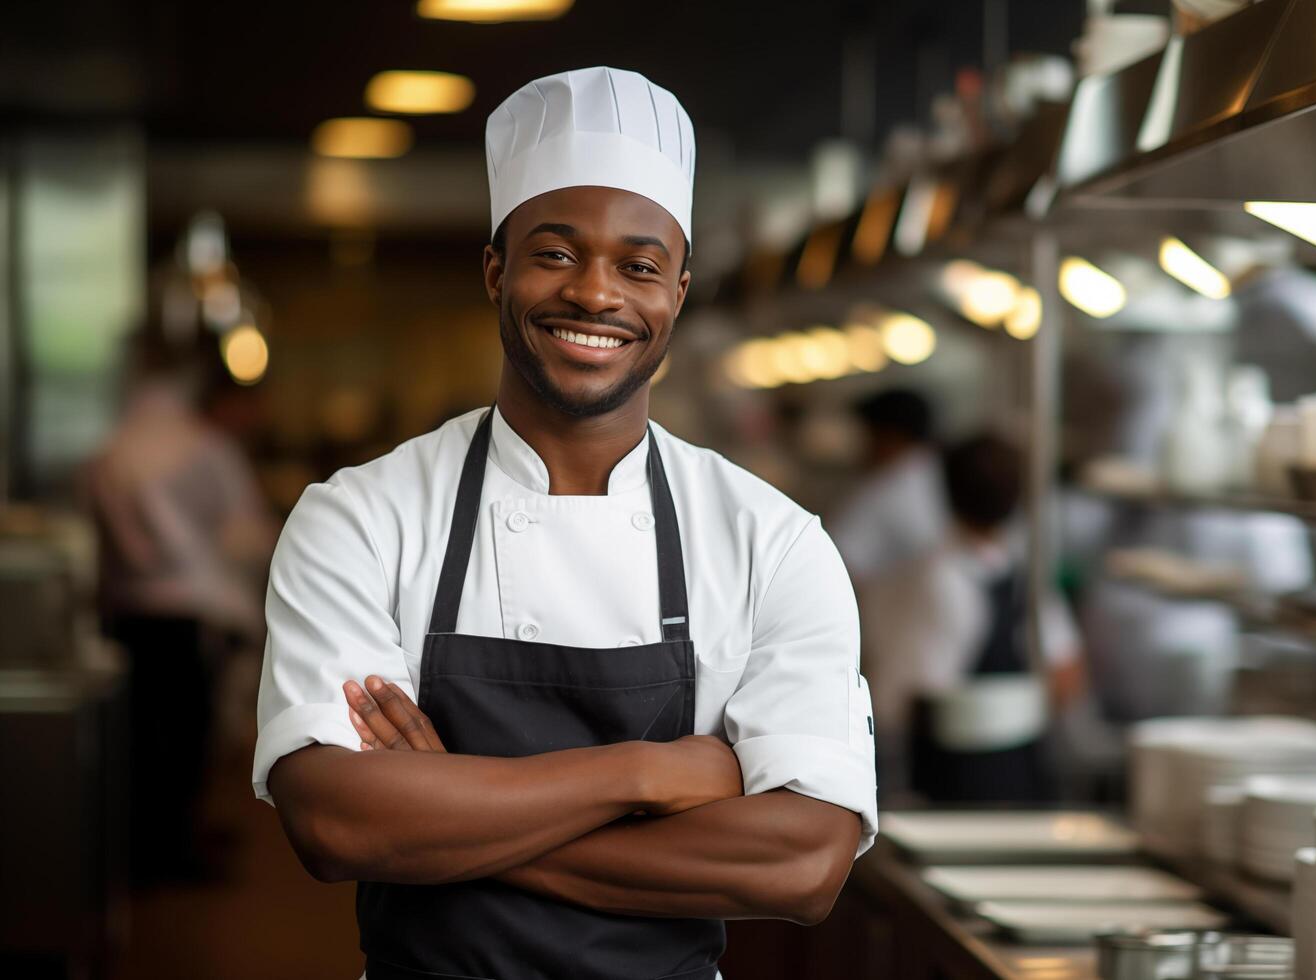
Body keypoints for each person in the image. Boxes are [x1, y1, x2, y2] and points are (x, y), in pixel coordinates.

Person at [254, 67, 876, 980]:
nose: (595, 294)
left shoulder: (772, 543)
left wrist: (446, 815)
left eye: (639, 265)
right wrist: (647, 775)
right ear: (496, 270)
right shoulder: (361, 517)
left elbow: (804, 862)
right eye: (555, 253)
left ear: (679, 292)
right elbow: (339, 822)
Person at [85, 331, 276, 883]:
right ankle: (174, 850)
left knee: (144, 738)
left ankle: (153, 846)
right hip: (191, 613)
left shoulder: (112, 450)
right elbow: (247, 537)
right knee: (186, 738)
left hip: (127, 612)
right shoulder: (203, 447)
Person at [860, 432, 1084, 804]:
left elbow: (893, 699)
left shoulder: (920, 580)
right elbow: (1067, 678)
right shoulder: (1026, 582)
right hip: (1016, 782)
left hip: (944, 783)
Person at [829, 388, 947, 585]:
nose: (861, 444)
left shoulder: (885, 491)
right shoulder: (936, 474)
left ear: (889, 436)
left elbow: (834, 564)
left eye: (867, 434)